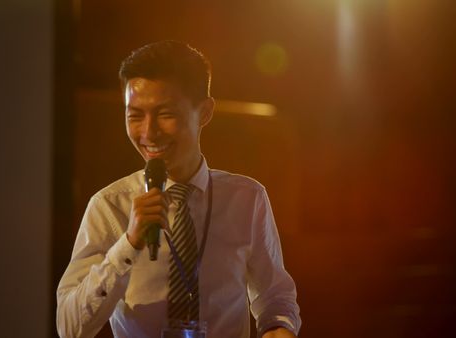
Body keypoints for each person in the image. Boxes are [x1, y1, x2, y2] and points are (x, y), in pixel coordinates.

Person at [56, 40, 301, 338]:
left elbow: (275, 298)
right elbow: (69, 327)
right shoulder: (109, 206)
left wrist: (278, 328)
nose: (148, 132)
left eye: (165, 114)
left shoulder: (247, 199)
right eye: (135, 116)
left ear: (206, 112)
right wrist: (128, 244)